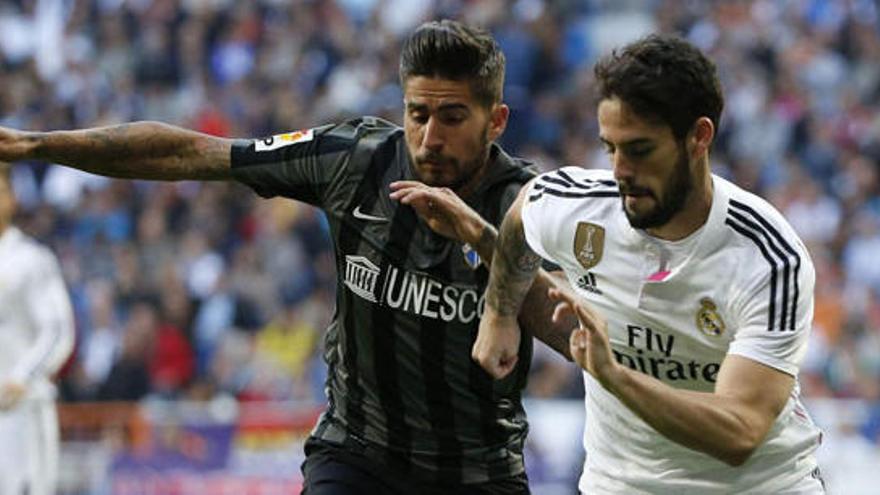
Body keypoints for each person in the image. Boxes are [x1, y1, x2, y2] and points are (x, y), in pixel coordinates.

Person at [0, 20, 572, 494]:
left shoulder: (528, 201)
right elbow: (193, 153)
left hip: (477, 469)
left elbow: (572, 332)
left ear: (495, 120)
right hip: (357, 454)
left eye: (452, 118)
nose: (428, 138)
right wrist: (35, 145)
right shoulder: (354, 159)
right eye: (418, 114)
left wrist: (481, 238)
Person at [473, 34, 826, 493]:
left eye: (639, 150)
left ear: (699, 137)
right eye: (610, 148)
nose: (620, 170)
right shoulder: (579, 208)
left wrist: (614, 375)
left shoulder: (766, 255)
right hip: (620, 484)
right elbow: (522, 215)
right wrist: (499, 312)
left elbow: (739, 430)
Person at [0, 162, 75, 495]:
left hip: (20, 409)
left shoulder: (30, 259)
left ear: (11, 199)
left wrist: (22, 377)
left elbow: (57, 329)